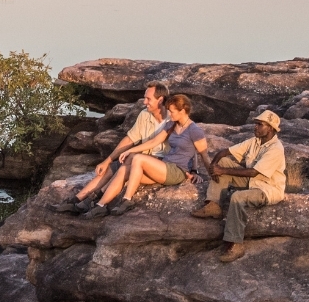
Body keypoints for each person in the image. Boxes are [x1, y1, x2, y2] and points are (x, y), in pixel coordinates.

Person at [80, 94, 209, 219]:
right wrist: (130, 150)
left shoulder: (195, 130)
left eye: (172, 111)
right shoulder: (171, 125)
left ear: (182, 111)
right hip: (164, 167)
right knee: (124, 170)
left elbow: (202, 154)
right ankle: (100, 205)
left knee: (138, 158)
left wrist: (199, 172)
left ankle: (127, 199)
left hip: (177, 171)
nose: (169, 114)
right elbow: (153, 142)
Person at [50, 81, 170, 213]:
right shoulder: (145, 114)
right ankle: (76, 201)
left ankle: (95, 200)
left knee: (127, 164)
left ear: (160, 100)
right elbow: (130, 138)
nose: (144, 102)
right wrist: (107, 160)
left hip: (159, 164)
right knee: (111, 168)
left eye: (148, 99)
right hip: (141, 158)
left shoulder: (173, 118)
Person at [194, 110, 287, 263]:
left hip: (267, 189)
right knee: (223, 162)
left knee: (237, 197)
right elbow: (225, 152)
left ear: (270, 128)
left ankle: (235, 244)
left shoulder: (276, 148)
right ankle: (213, 204)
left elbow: (253, 172)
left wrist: (221, 171)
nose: (255, 127)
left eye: (259, 124)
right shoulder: (255, 141)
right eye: (255, 124)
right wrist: (214, 165)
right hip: (252, 182)